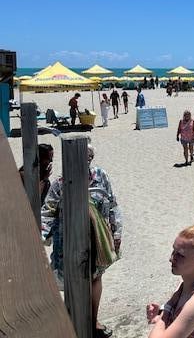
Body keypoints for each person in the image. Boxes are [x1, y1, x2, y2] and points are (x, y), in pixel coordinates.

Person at [41, 144, 123, 338]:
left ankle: (93, 319)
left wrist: (117, 232)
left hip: (98, 240)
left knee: (96, 278)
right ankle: (75, 321)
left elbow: (112, 204)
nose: (83, 162)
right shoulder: (60, 183)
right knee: (74, 281)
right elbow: (47, 212)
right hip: (69, 243)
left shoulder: (101, 176)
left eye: (87, 158)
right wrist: (42, 238)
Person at [146, 219, 194, 338]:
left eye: (180, 255)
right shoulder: (186, 284)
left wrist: (166, 311)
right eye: (173, 251)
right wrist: (158, 316)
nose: (171, 258)